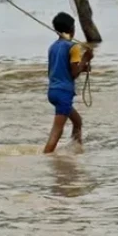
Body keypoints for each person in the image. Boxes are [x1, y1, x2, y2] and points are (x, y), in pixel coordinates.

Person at [43, 12, 93, 153]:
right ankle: (45, 158)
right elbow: (72, 74)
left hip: (53, 91)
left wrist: (83, 67)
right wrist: (85, 58)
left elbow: (60, 69)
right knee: (56, 131)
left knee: (77, 121)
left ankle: (75, 150)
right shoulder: (74, 47)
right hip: (64, 92)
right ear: (72, 29)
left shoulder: (53, 47)